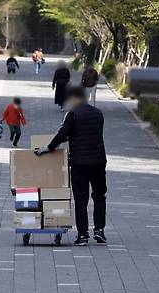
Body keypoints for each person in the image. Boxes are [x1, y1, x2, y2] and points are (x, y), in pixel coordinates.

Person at [35, 86, 107, 246]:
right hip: (99, 162)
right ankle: (99, 230)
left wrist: (49, 147)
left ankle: (83, 236)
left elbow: (62, 134)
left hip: (80, 163)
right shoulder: (98, 113)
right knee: (99, 196)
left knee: (81, 199)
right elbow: (90, 134)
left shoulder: (73, 114)